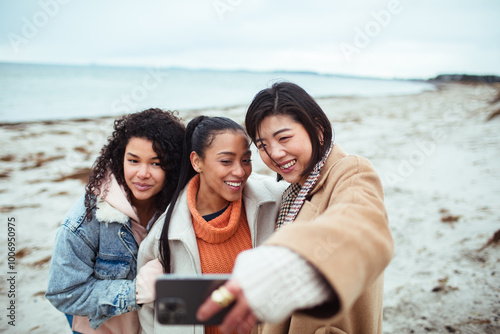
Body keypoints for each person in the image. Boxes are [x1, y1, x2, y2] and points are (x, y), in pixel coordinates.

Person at [196, 82, 394, 334]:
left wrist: (292, 260)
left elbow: (362, 224)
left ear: (317, 129)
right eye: (262, 145)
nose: (275, 153)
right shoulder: (291, 191)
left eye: (284, 138)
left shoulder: (349, 171)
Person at [136, 116, 286, 334]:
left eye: (246, 160)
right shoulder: (164, 236)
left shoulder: (274, 198)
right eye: (226, 161)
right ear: (197, 162)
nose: (240, 171)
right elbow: (151, 318)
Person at [45, 108, 185, 334]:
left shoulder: (178, 206)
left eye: (156, 163)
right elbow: (62, 293)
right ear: (121, 159)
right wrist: (134, 293)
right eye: (133, 160)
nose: (142, 173)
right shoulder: (86, 219)